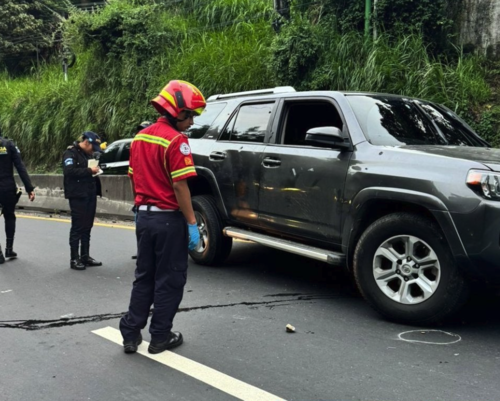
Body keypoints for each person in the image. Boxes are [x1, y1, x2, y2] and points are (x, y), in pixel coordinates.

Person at [120, 80, 204, 354]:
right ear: (177, 112)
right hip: (168, 220)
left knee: (144, 276)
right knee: (170, 278)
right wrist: (192, 223)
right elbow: (181, 185)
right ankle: (160, 336)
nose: (192, 121)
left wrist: (140, 207)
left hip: (144, 218)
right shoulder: (176, 141)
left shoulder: (140, 137)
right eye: (190, 114)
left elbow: (134, 178)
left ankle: (131, 333)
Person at [62, 131, 103, 271]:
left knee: (87, 226)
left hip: (90, 193)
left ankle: (85, 256)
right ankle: (74, 258)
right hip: (77, 195)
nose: (93, 151)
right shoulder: (70, 153)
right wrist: (88, 170)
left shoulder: (88, 154)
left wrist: (95, 170)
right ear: (86, 142)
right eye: (92, 147)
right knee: (77, 227)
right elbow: (69, 171)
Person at [0, 131, 35, 264]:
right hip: (7, 188)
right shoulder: (9, 145)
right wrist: (29, 188)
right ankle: (9, 248)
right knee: (9, 216)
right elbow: (20, 167)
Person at [131, 121, 152, 261]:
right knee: (140, 228)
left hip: (155, 201)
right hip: (141, 199)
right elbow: (132, 176)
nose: (140, 133)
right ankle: (142, 251)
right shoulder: (136, 147)